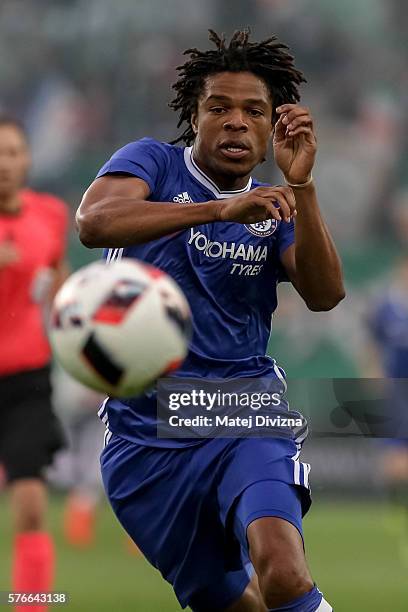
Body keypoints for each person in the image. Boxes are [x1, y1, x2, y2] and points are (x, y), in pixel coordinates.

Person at [77, 30, 345, 612]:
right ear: (192, 118)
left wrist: (301, 183)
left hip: (242, 407)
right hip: (144, 436)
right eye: (218, 108)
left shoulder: (278, 205)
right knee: (234, 604)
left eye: (254, 112)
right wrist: (220, 208)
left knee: (283, 573)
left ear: (274, 125)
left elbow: (325, 294)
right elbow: (94, 222)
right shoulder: (153, 162)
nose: (235, 123)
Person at [0, 117, 68, 611]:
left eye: (13, 152)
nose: (4, 164)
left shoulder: (51, 215)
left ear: (27, 160)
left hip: (27, 380)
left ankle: (33, 606)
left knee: (29, 508)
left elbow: (60, 284)